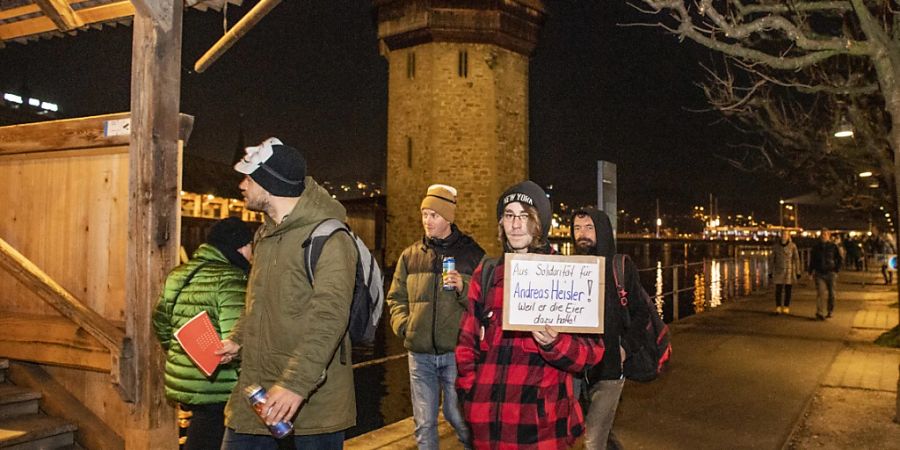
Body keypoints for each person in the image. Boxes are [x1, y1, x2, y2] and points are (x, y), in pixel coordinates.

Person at [217, 137, 358, 449]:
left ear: (269, 185)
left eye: (249, 179)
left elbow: (329, 319)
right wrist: (237, 339)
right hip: (257, 391)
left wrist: (295, 384)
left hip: (313, 403)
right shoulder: (265, 234)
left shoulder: (329, 238)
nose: (242, 185)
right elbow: (258, 301)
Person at [456, 180, 604, 449]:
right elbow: (466, 343)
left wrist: (555, 343)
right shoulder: (488, 272)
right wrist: (471, 392)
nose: (515, 224)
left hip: (541, 428)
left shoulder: (568, 274)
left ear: (539, 222)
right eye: (509, 215)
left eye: (525, 216)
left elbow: (591, 354)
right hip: (487, 424)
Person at [386, 184, 485, 449]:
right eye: (424, 214)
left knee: (458, 416)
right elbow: (395, 297)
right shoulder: (410, 256)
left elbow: (486, 302)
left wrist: (463, 288)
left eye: (434, 215)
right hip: (419, 355)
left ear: (448, 217)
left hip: (456, 353)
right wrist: (405, 326)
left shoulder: (472, 254)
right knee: (424, 424)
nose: (427, 221)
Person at [153, 217, 252, 450]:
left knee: (200, 435)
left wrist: (185, 355)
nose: (251, 253)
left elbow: (160, 322)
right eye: (250, 246)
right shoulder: (231, 278)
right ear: (239, 246)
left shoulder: (179, 274)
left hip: (187, 382)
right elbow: (237, 337)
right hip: (221, 386)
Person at [570, 207, 644, 450]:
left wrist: (625, 348)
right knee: (588, 432)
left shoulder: (620, 267)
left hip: (609, 368)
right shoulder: (567, 268)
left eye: (589, 228)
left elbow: (641, 313)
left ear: (601, 231)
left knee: (593, 441)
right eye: (577, 228)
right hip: (576, 370)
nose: (582, 234)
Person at [808, 229, 842, 320]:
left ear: (829, 236)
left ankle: (830, 310)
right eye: (822, 234)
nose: (824, 236)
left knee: (832, 294)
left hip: (831, 273)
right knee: (820, 293)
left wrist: (836, 270)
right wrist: (810, 272)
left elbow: (839, 259)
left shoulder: (833, 246)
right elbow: (812, 260)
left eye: (825, 234)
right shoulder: (816, 247)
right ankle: (820, 312)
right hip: (819, 273)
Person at [769, 231, 801, 315]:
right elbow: (772, 259)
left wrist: (798, 271)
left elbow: (796, 259)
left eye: (786, 235)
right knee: (778, 289)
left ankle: (786, 306)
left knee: (788, 289)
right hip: (778, 270)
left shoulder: (793, 246)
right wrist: (770, 271)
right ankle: (778, 307)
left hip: (789, 270)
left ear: (788, 236)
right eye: (783, 234)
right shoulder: (776, 246)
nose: (784, 236)